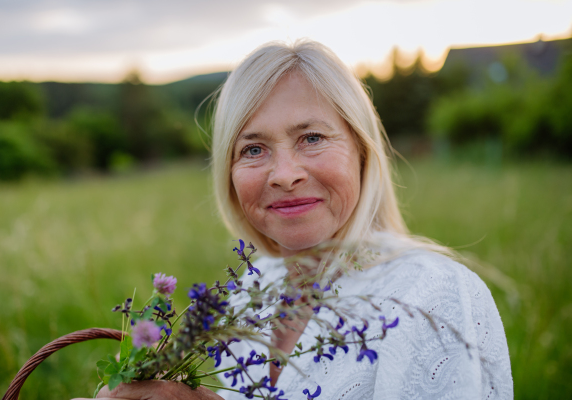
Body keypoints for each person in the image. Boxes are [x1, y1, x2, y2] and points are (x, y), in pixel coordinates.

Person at [82, 40, 513, 400]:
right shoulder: (248, 293)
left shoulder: (433, 296)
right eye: (253, 149)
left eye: (311, 138)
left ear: (362, 153)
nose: (285, 174)